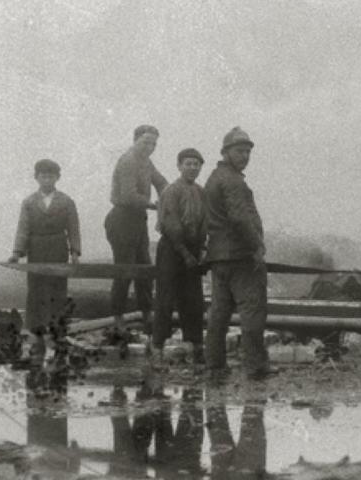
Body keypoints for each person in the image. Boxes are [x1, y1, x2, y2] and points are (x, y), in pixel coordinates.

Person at [203, 127, 274, 381]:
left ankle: (215, 364)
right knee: (252, 310)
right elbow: (240, 218)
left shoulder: (214, 178)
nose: (245, 156)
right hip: (240, 256)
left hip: (219, 257)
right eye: (239, 151)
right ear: (226, 152)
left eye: (247, 152)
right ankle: (256, 365)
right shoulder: (233, 181)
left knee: (219, 313)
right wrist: (256, 246)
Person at [10, 159, 81, 362]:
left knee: (58, 290)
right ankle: (36, 336)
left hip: (58, 249)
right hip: (36, 250)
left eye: (51, 176)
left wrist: (75, 252)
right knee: (36, 291)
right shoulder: (29, 202)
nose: (47, 179)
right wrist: (17, 252)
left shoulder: (66, 201)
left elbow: (73, 228)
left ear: (57, 178)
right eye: (43, 176)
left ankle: (58, 335)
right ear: (36, 178)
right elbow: (23, 228)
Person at [106, 125, 168, 330]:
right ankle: (118, 317)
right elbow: (128, 196)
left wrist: (171, 195)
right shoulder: (128, 161)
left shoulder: (146, 162)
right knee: (125, 269)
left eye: (154, 144)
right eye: (146, 142)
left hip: (138, 220)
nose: (150, 147)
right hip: (121, 219)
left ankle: (147, 313)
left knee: (145, 268)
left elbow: (161, 183)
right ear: (135, 140)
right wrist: (154, 205)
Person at [152, 148, 208, 365]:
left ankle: (195, 346)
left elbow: (205, 223)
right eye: (188, 164)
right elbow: (171, 225)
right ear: (179, 166)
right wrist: (184, 253)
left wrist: (201, 250)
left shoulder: (201, 192)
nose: (192, 168)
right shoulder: (171, 191)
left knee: (193, 299)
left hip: (193, 250)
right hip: (172, 249)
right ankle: (157, 348)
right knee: (165, 299)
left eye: (196, 164)